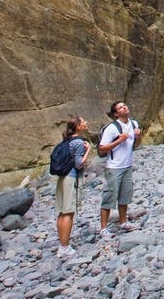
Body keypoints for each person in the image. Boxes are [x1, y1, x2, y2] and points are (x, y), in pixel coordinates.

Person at [98, 100, 141, 237]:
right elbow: (102, 148)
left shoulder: (134, 124)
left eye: (124, 105)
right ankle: (103, 228)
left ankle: (123, 222)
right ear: (116, 114)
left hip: (127, 165)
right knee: (110, 196)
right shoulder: (112, 128)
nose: (124, 107)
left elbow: (135, 144)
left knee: (125, 195)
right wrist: (119, 140)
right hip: (114, 167)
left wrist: (138, 136)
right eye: (121, 107)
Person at [55, 116, 91, 257]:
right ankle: (65, 247)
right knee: (69, 212)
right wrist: (87, 151)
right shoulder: (79, 142)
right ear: (78, 127)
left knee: (62, 211)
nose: (86, 123)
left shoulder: (67, 140)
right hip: (71, 178)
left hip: (62, 177)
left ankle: (62, 245)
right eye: (83, 122)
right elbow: (79, 164)